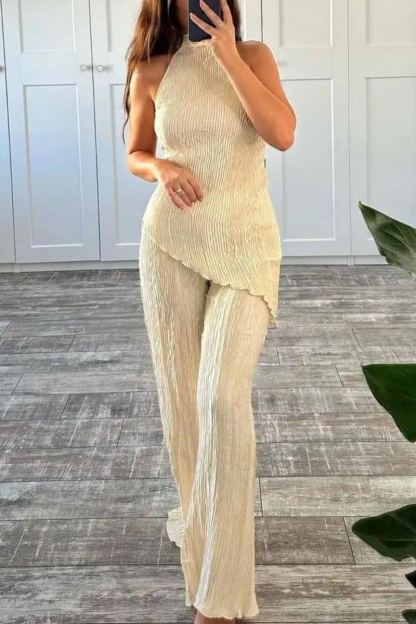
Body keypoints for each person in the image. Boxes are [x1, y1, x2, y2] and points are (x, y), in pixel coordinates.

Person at [124, 0, 296, 621]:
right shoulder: (150, 69)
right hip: (170, 243)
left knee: (221, 399)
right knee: (184, 409)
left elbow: (282, 133)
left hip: (247, 248)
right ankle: (204, 554)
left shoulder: (253, 56)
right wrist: (161, 167)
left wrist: (226, 55)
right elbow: (136, 151)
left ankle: (220, 602)